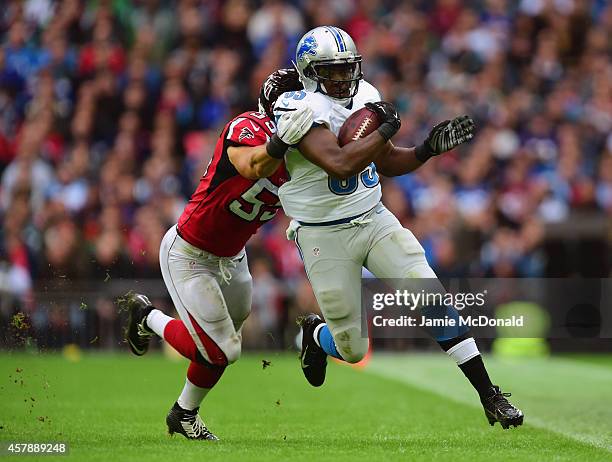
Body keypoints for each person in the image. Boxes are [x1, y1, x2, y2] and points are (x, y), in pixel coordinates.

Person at [274, 26, 523, 429]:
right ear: (308, 72)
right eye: (330, 71)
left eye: (346, 69)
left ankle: (490, 395)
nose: (342, 79)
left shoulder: (366, 96)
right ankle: (315, 335)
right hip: (322, 233)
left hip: (373, 217)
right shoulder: (296, 106)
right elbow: (339, 162)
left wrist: (425, 150)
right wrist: (386, 128)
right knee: (353, 350)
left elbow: (385, 161)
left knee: (429, 292)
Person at [119, 68, 313, 440]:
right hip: (190, 252)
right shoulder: (248, 126)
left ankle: (184, 413)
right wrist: (281, 143)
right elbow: (252, 165)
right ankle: (148, 317)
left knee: (229, 335)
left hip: (233, 256)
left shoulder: (303, 148)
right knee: (223, 349)